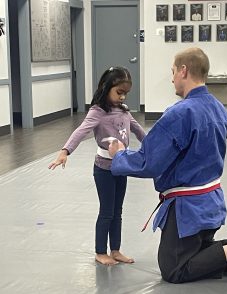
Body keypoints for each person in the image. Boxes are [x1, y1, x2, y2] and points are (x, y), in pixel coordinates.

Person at [108, 48, 227, 283]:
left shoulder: (180, 113)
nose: (172, 78)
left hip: (187, 210)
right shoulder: (217, 107)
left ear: (184, 70)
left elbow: (149, 162)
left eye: (173, 71)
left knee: (174, 269)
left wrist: (119, 156)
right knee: (198, 253)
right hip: (211, 202)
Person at [48, 67, 146, 266]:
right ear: (106, 87)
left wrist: (157, 147)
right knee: (107, 211)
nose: (122, 96)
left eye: (125, 93)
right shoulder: (98, 112)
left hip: (122, 167)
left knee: (118, 211)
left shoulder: (124, 111)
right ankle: (100, 251)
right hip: (104, 170)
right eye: (119, 92)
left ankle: (116, 250)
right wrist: (65, 151)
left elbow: (139, 131)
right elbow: (81, 130)